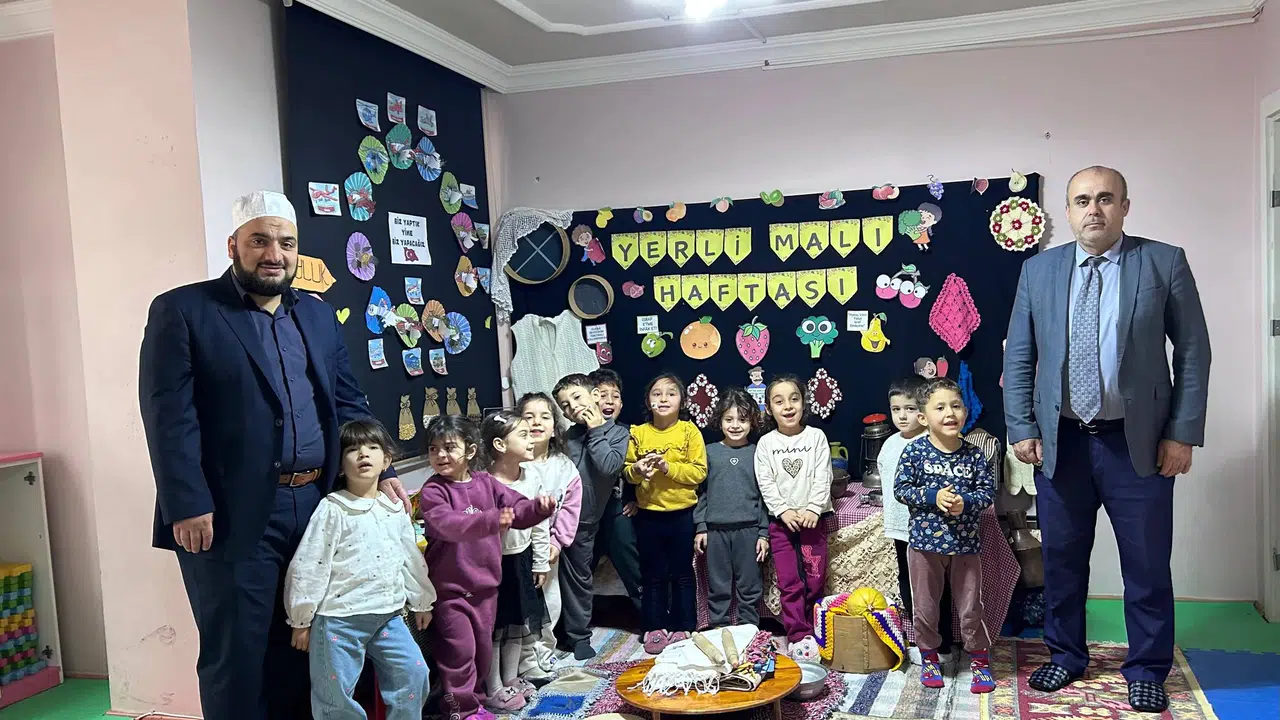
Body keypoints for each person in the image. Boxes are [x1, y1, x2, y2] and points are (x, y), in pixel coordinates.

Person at [138, 190, 407, 720]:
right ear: (233, 245)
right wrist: (186, 503)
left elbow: (347, 401)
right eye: (260, 241)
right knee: (238, 655)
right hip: (227, 513)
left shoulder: (318, 315)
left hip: (316, 506)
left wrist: (384, 467)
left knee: (304, 643)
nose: (274, 254)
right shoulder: (184, 311)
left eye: (286, 243)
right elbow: (169, 418)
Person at [1003, 166, 1211, 713]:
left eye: (1104, 199)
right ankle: (1066, 655)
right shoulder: (1038, 270)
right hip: (1062, 443)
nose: (1092, 209)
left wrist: (1182, 434)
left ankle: (1146, 668)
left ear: (1124, 206)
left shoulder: (1163, 262)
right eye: (1081, 201)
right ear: (1068, 211)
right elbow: (1019, 354)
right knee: (1062, 560)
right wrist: (1021, 426)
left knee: (1146, 564)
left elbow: (1193, 352)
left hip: (1137, 443)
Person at [283, 419, 434, 719]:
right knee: (335, 697)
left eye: (372, 447)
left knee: (414, 675)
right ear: (340, 466)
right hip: (338, 621)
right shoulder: (333, 508)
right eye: (353, 450)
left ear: (386, 461)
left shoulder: (394, 508)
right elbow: (310, 564)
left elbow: (410, 558)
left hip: (388, 617)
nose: (363, 454)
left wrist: (422, 602)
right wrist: (301, 619)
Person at [417, 416, 555, 720]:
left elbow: (517, 508)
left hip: (486, 588)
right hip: (451, 592)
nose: (440, 455)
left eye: (449, 447)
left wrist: (538, 508)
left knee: (482, 654)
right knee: (459, 654)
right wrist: (491, 519)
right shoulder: (433, 491)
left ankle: (475, 703)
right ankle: (460, 711)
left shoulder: (485, 483)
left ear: (470, 450)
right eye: (433, 449)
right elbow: (447, 525)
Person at [893, 378, 997, 694]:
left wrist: (966, 502)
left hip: (965, 546)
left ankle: (979, 662)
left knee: (970, 608)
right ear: (923, 417)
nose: (950, 413)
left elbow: (987, 492)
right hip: (924, 546)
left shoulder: (974, 455)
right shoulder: (914, 452)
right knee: (925, 608)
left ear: (965, 411)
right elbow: (901, 489)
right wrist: (933, 496)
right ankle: (930, 659)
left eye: (956, 406)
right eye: (940, 407)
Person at [624, 373, 709, 654]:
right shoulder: (638, 433)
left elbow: (699, 472)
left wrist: (667, 468)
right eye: (656, 393)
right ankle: (654, 627)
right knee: (653, 574)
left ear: (682, 401)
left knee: (682, 572)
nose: (663, 399)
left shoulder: (689, 431)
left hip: (682, 514)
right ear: (648, 401)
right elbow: (627, 472)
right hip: (648, 516)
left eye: (671, 393)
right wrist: (638, 470)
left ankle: (684, 625)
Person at [754, 374, 833, 661]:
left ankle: (815, 629)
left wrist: (813, 508)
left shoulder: (816, 437)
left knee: (815, 578)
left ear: (803, 403)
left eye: (794, 399)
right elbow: (765, 482)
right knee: (790, 581)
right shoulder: (766, 444)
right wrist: (783, 510)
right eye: (779, 401)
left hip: (813, 520)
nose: (788, 406)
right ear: (768, 409)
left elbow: (823, 475)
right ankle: (798, 635)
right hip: (781, 524)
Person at [552, 374, 630, 660]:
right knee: (548, 578)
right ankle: (553, 633)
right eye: (565, 405)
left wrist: (596, 429)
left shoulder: (619, 433)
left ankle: (578, 636)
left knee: (579, 578)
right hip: (551, 518)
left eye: (577, 397)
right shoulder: (567, 436)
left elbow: (609, 466)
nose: (572, 407)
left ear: (595, 395)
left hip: (584, 521)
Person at [878, 376, 955, 661]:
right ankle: (924, 643)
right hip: (899, 529)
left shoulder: (933, 443)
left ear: (923, 411)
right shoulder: (889, 444)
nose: (902, 416)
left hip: (929, 530)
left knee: (936, 588)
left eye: (909, 409)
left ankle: (943, 645)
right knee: (908, 585)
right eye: (896, 409)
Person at [480, 411, 550, 713]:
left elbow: (540, 523)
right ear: (499, 444)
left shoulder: (532, 475)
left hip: (522, 558)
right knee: (495, 628)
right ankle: (493, 686)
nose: (531, 439)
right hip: (493, 564)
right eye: (523, 434)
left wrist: (540, 562)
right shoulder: (484, 482)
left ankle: (510, 679)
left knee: (517, 623)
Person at [516, 393, 581, 679]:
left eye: (544, 417)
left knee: (550, 601)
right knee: (522, 605)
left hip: (549, 548)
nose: (536, 422)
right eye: (528, 417)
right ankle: (524, 658)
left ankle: (544, 651)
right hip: (517, 547)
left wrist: (557, 542)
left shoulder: (563, 466)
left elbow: (570, 508)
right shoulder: (513, 463)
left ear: (554, 427)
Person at [694, 386, 769, 628]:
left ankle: (749, 629)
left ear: (752, 422)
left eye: (742, 419)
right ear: (719, 420)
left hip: (749, 531)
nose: (735, 425)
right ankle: (719, 628)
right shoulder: (709, 452)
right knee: (718, 584)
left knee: (750, 584)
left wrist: (763, 533)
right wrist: (701, 527)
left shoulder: (758, 453)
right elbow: (702, 492)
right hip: (716, 531)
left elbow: (765, 496)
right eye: (729, 419)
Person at [588, 369, 644, 611]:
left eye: (615, 396)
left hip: (617, 509)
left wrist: (635, 498)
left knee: (632, 565)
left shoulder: (629, 433)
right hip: (587, 515)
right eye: (602, 395)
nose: (609, 401)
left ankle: (651, 619)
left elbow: (636, 471)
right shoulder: (578, 434)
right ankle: (572, 624)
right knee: (581, 568)